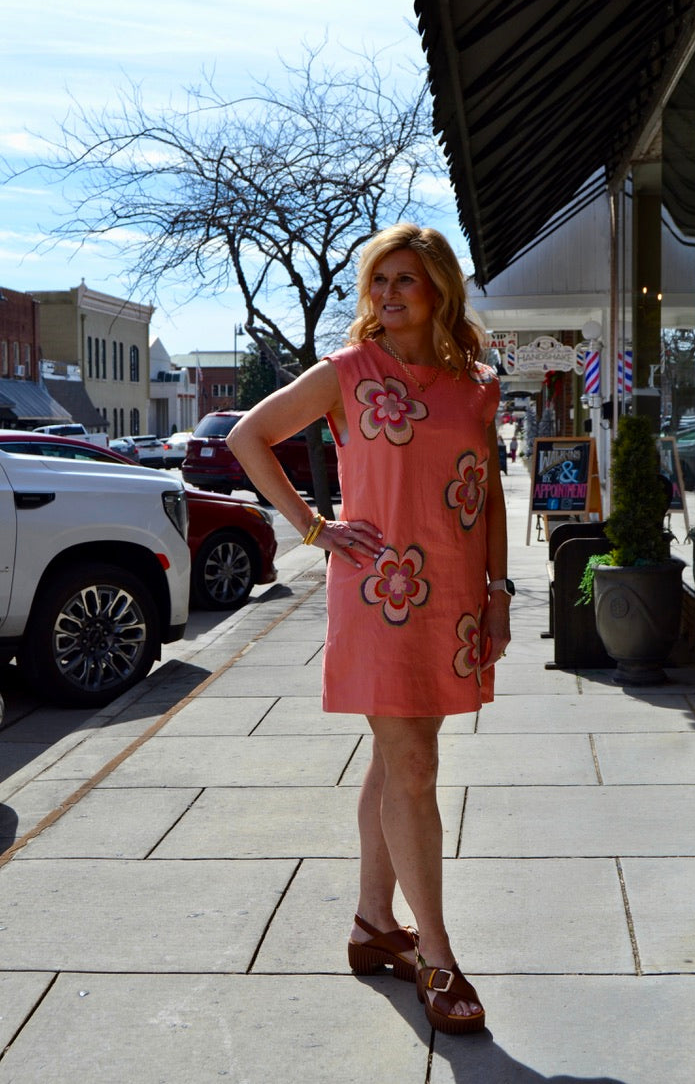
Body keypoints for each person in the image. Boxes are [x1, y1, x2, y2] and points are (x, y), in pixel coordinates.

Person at [226, 222, 511, 1036]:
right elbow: (250, 437)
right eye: (378, 281)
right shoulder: (349, 372)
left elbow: (485, 491)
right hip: (381, 591)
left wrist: (495, 589)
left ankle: (370, 925)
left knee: (400, 759)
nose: (388, 295)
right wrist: (314, 530)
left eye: (405, 281)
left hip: (453, 592)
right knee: (414, 762)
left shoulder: (478, 385)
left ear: (438, 291)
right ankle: (438, 955)